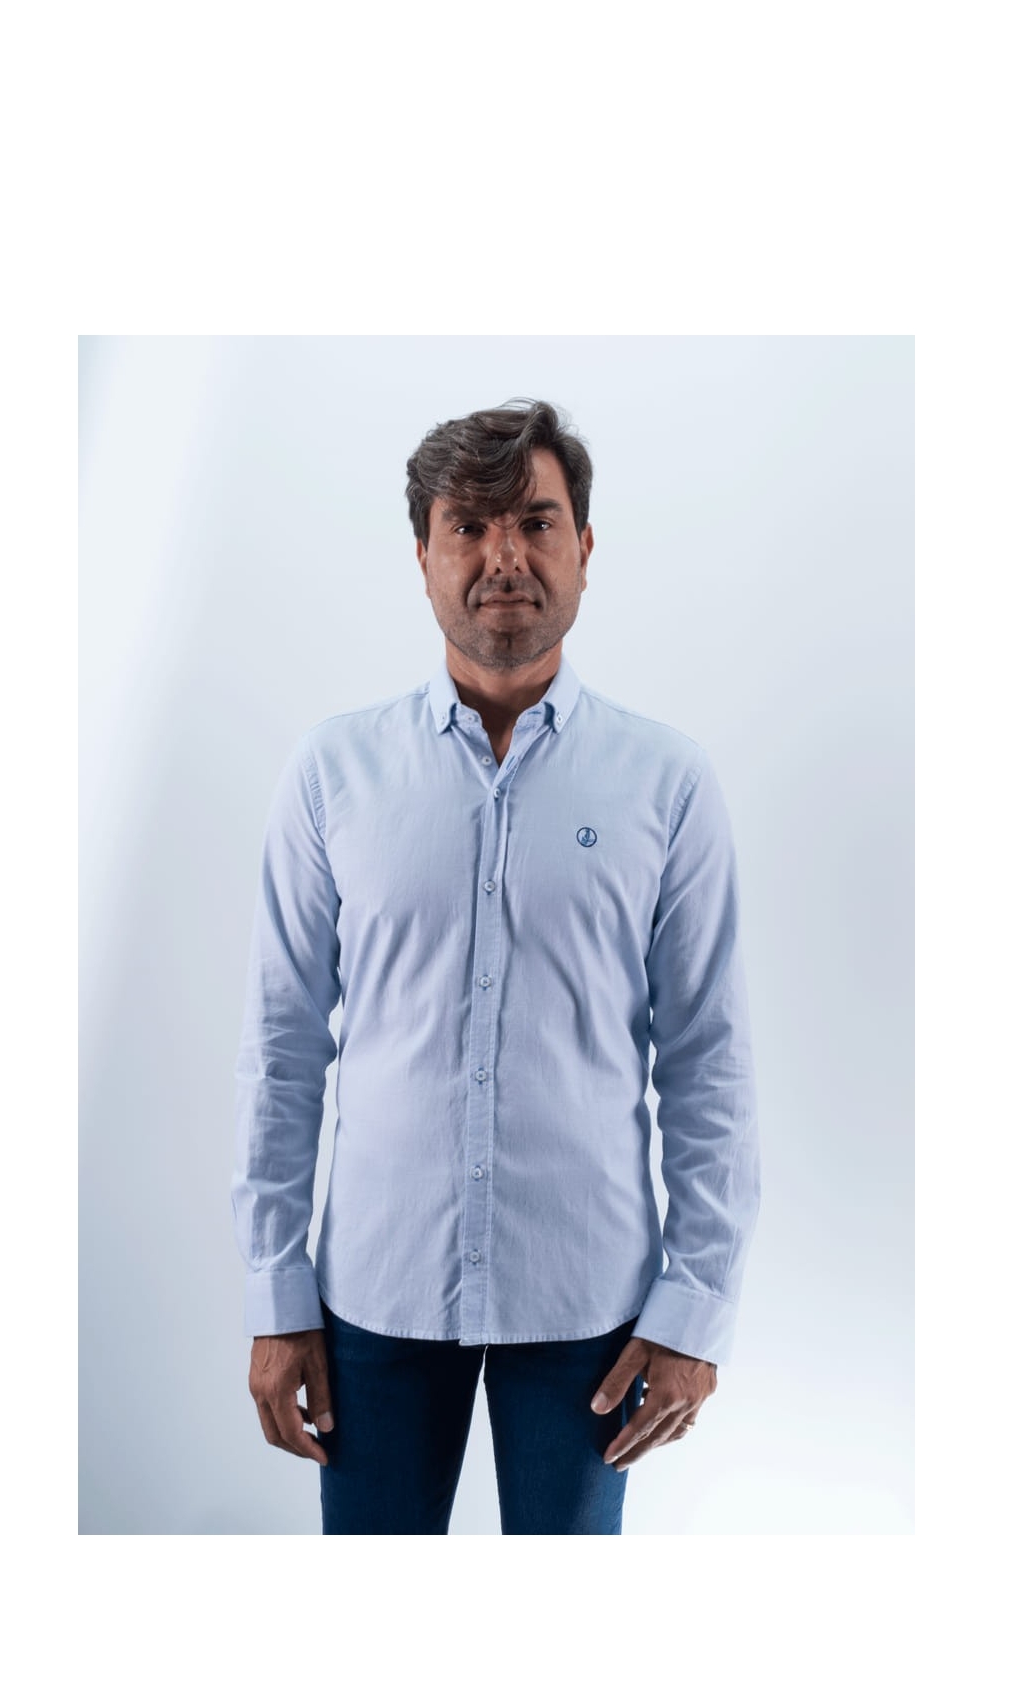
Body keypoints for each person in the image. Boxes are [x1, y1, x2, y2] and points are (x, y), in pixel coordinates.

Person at [231, 397, 761, 1534]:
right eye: (468, 525)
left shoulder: (666, 784)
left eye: (535, 520)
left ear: (585, 547)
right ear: (422, 555)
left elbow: (707, 1061)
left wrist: (695, 1309)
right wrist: (275, 1295)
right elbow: (281, 1048)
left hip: (591, 1310)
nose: (503, 555)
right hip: (374, 1300)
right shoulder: (331, 776)